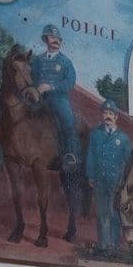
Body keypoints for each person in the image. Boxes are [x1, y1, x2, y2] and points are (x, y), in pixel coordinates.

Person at [31, 24, 80, 172]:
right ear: (46, 39)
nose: (55, 40)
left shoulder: (65, 62)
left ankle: (70, 155)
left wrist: (51, 86)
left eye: (57, 38)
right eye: (52, 37)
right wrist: (36, 88)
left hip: (58, 99)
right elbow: (32, 77)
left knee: (68, 122)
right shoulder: (38, 60)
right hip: (39, 98)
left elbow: (70, 82)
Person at [85, 99, 132, 251]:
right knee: (101, 212)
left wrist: (124, 181)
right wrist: (90, 175)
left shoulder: (123, 138)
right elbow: (90, 156)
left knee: (112, 213)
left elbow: (129, 162)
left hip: (116, 181)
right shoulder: (95, 134)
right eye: (105, 113)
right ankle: (103, 245)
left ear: (116, 116)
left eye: (111, 113)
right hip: (99, 179)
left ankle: (115, 245)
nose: (108, 116)